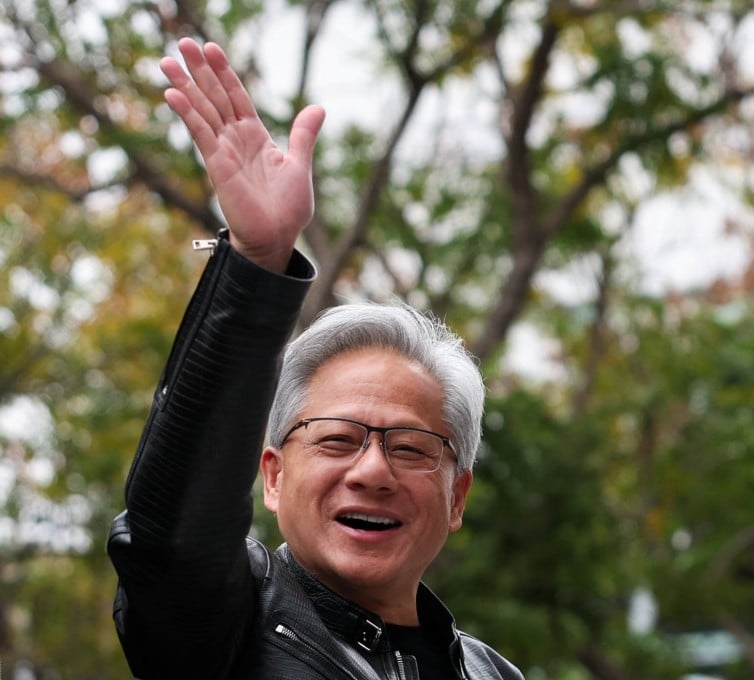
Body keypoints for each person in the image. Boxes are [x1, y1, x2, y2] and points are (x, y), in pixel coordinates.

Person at [106, 37, 523, 680]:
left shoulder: (490, 671)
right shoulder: (227, 626)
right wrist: (257, 265)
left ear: (457, 495)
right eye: (336, 439)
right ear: (273, 477)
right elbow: (172, 541)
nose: (373, 471)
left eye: (412, 447)